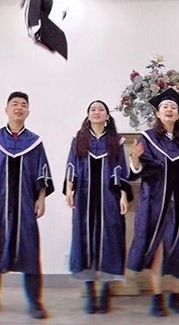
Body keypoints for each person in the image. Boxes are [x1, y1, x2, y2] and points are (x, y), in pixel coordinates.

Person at [128, 87, 179, 317]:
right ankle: (157, 297)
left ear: (178, 114)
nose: (169, 109)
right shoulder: (147, 138)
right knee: (156, 249)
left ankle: (176, 294)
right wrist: (135, 158)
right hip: (154, 203)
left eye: (173, 107)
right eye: (165, 106)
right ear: (157, 113)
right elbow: (137, 170)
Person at [0, 91, 54, 319]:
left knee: (29, 249)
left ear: (28, 112)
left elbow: (42, 173)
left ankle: (35, 302)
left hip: (25, 205)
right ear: (6, 110)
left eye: (23, 105)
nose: (19, 108)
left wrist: (41, 199)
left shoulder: (34, 142)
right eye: (15, 104)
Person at [64, 100, 133, 314]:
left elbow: (121, 168)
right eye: (92, 109)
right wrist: (69, 190)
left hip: (109, 197)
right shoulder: (79, 140)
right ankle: (90, 290)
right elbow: (71, 164)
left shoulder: (116, 142)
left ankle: (105, 291)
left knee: (109, 239)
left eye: (101, 109)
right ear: (88, 115)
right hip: (84, 197)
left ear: (107, 117)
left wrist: (123, 195)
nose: (96, 112)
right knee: (84, 239)